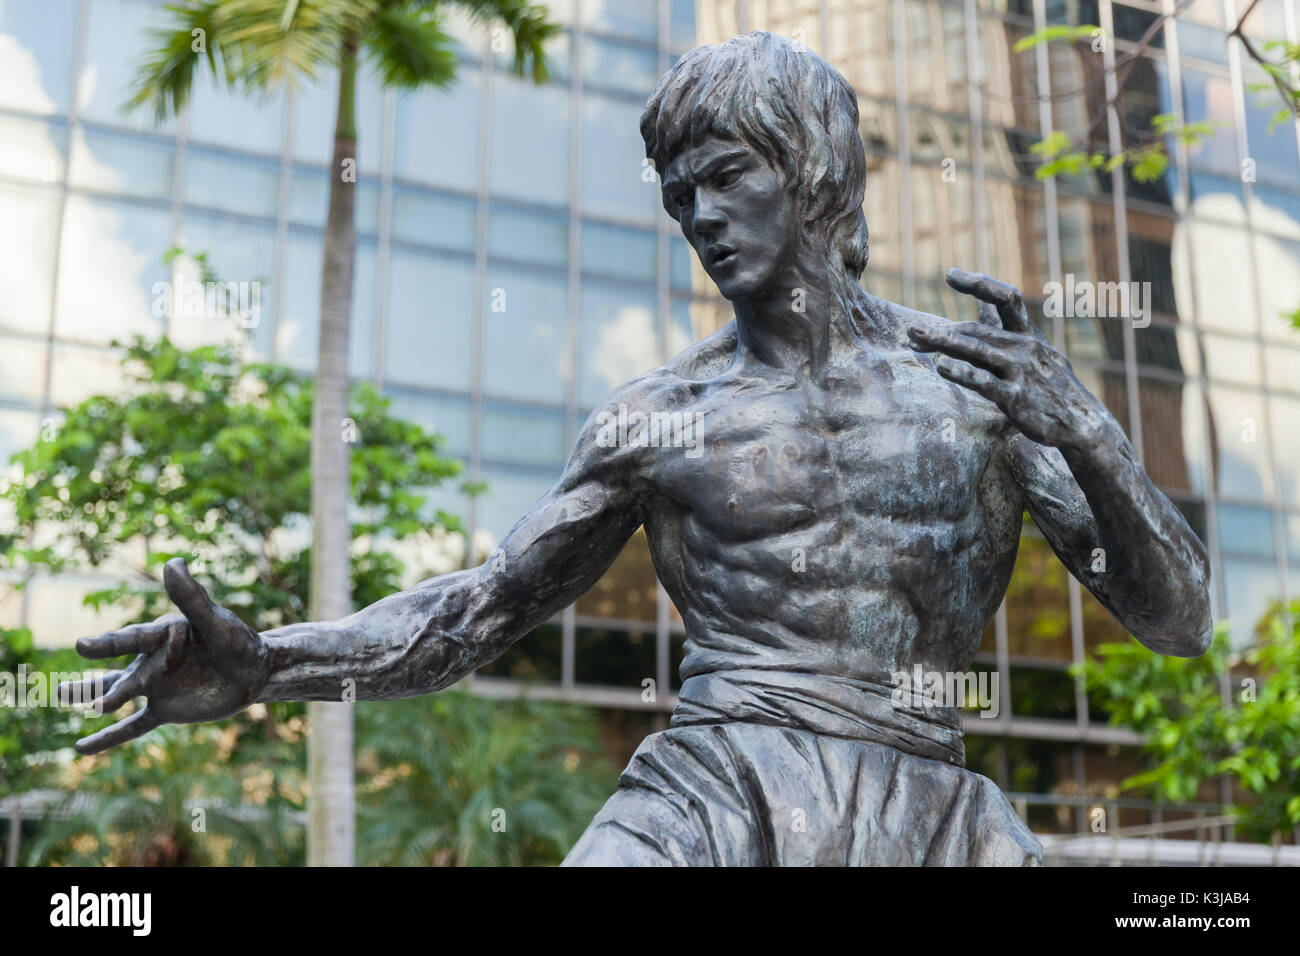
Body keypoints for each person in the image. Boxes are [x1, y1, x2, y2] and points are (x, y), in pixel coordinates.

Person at [62, 32, 1212, 866]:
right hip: (712, 783)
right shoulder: (659, 417)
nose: (699, 217)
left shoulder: (985, 389)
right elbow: (476, 610)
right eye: (678, 196)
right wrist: (269, 664)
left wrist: (1094, 435)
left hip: (932, 798)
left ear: (812, 171)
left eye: (726, 177)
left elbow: (1180, 621)